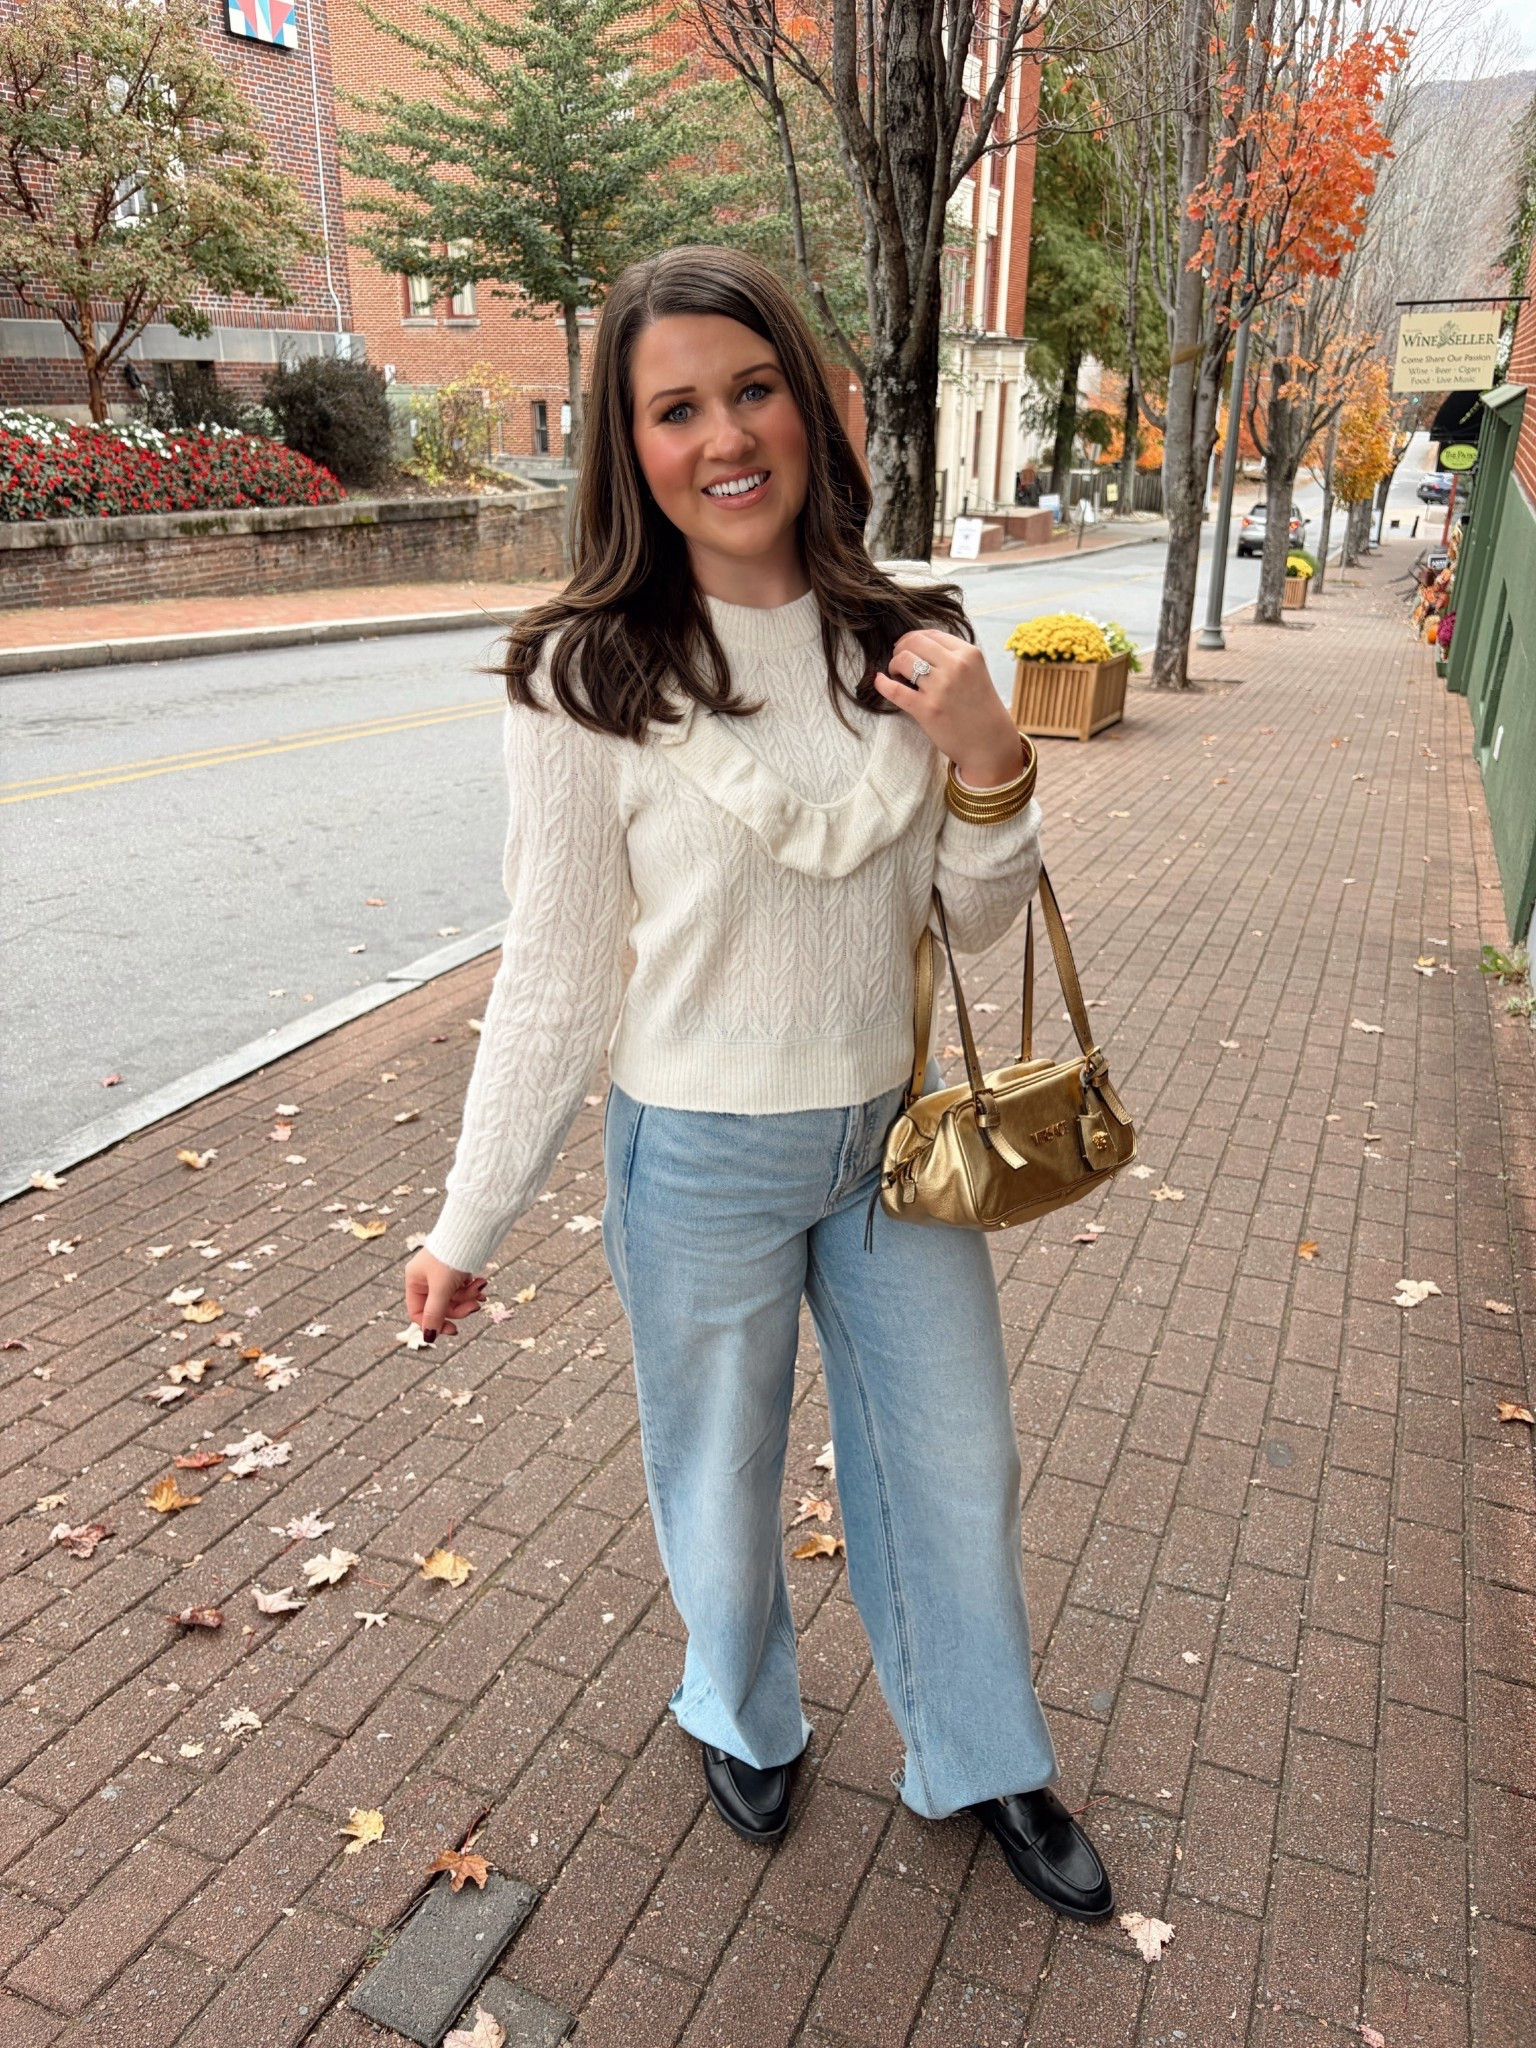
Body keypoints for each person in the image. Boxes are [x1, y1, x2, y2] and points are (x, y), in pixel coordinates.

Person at [403, 244, 1113, 1923]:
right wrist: (466, 1217)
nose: (725, 435)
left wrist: (995, 761)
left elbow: (972, 911)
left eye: (752, 387)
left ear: (806, 401)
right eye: (675, 408)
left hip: (892, 1144)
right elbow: (559, 970)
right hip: (696, 1152)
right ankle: (742, 1704)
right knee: (714, 1471)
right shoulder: (584, 673)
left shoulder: (912, 635)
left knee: (952, 1457)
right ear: (626, 445)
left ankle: (983, 1751)